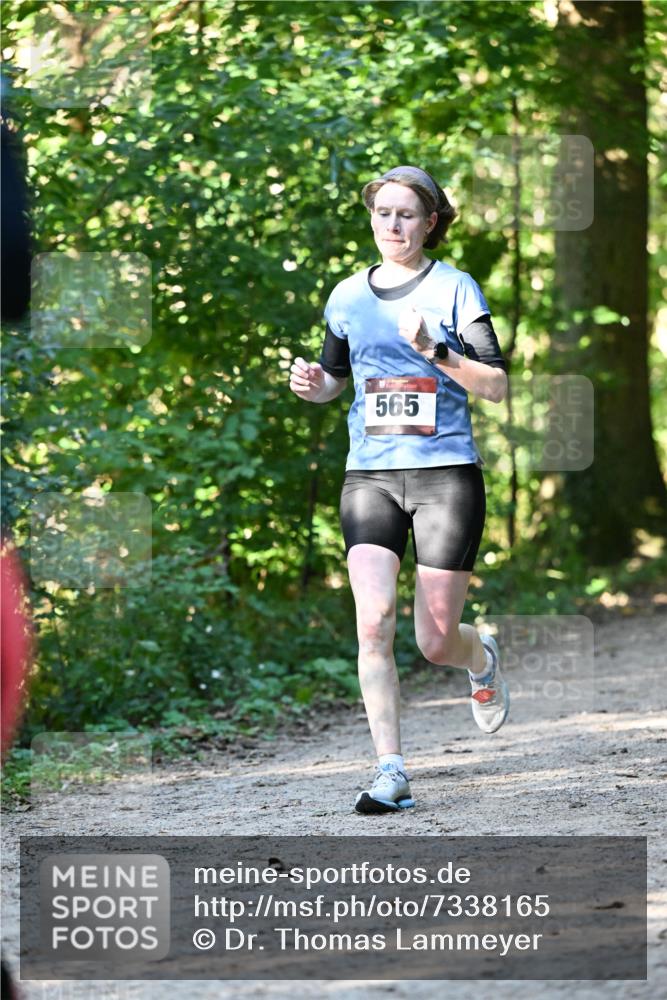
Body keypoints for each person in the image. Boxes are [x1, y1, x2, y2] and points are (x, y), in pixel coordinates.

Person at [289, 165, 509, 814]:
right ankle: (390, 770)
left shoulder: (454, 289)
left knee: (434, 641)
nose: (392, 225)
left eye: (406, 215)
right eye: (382, 213)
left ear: (431, 221)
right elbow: (334, 380)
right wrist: (314, 386)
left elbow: (495, 385)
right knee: (373, 621)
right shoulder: (347, 296)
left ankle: (480, 654)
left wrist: (437, 352)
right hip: (371, 476)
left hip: (445, 476)